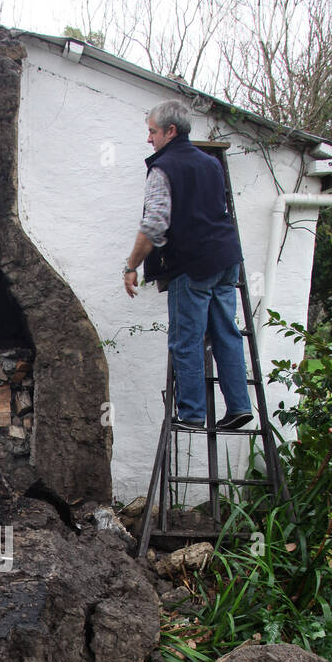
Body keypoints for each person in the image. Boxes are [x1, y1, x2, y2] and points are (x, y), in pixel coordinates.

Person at [123, 100, 253, 431]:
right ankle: (239, 406)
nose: (148, 139)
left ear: (170, 131)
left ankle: (192, 413)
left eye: (152, 132)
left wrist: (131, 266)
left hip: (192, 266)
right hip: (226, 261)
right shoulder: (211, 164)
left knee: (187, 338)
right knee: (227, 333)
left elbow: (154, 224)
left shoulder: (163, 168)